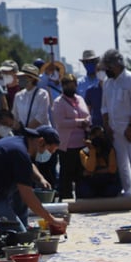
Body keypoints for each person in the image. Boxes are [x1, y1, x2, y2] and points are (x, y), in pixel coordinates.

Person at [0, 125, 66, 234]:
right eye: (50, 151)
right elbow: (27, 196)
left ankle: (22, 224)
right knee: (17, 236)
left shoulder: (18, 143)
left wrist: (40, 178)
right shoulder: (19, 152)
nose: (49, 155)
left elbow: (28, 165)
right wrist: (51, 219)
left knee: (19, 192)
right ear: (41, 142)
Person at [100, 48, 131, 197]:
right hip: (114, 128)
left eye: (108, 67)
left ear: (117, 65)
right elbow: (104, 106)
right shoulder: (107, 82)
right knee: (121, 161)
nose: (106, 70)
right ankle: (127, 190)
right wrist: (107, 126)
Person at [52, 72, 90, 200]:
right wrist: (79, 122)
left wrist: (87, 121)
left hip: (82, 143)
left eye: (73, 85)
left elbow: (87, 114)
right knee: (67, 174)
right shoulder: (58, 102)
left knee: (81, 173)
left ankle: (82, 197)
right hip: (67, 144)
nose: (71, 87)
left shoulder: (80, 99)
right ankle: (66, 198)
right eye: (68, 85)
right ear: (63, 86)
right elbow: (60, 122)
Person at [78, 126, 120, 199]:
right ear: (90, 137)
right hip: (90, 182)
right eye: (96, 135)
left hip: (106, 181)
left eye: (101, 135)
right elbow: (90, 168)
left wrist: (95, 172)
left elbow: (112, 169)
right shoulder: (83, 152)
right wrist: (92, 150)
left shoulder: (110, 150)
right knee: (85, 193)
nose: (99, 138)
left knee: (112, 191)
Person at [13, 64, 51, 129]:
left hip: (39, 133)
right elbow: (15, 116)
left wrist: (26, 130)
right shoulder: (18, 96)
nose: (20, 79)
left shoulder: (42, 94)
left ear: (32, 79)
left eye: (23, 77)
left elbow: (40, 117)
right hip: (24, 135)